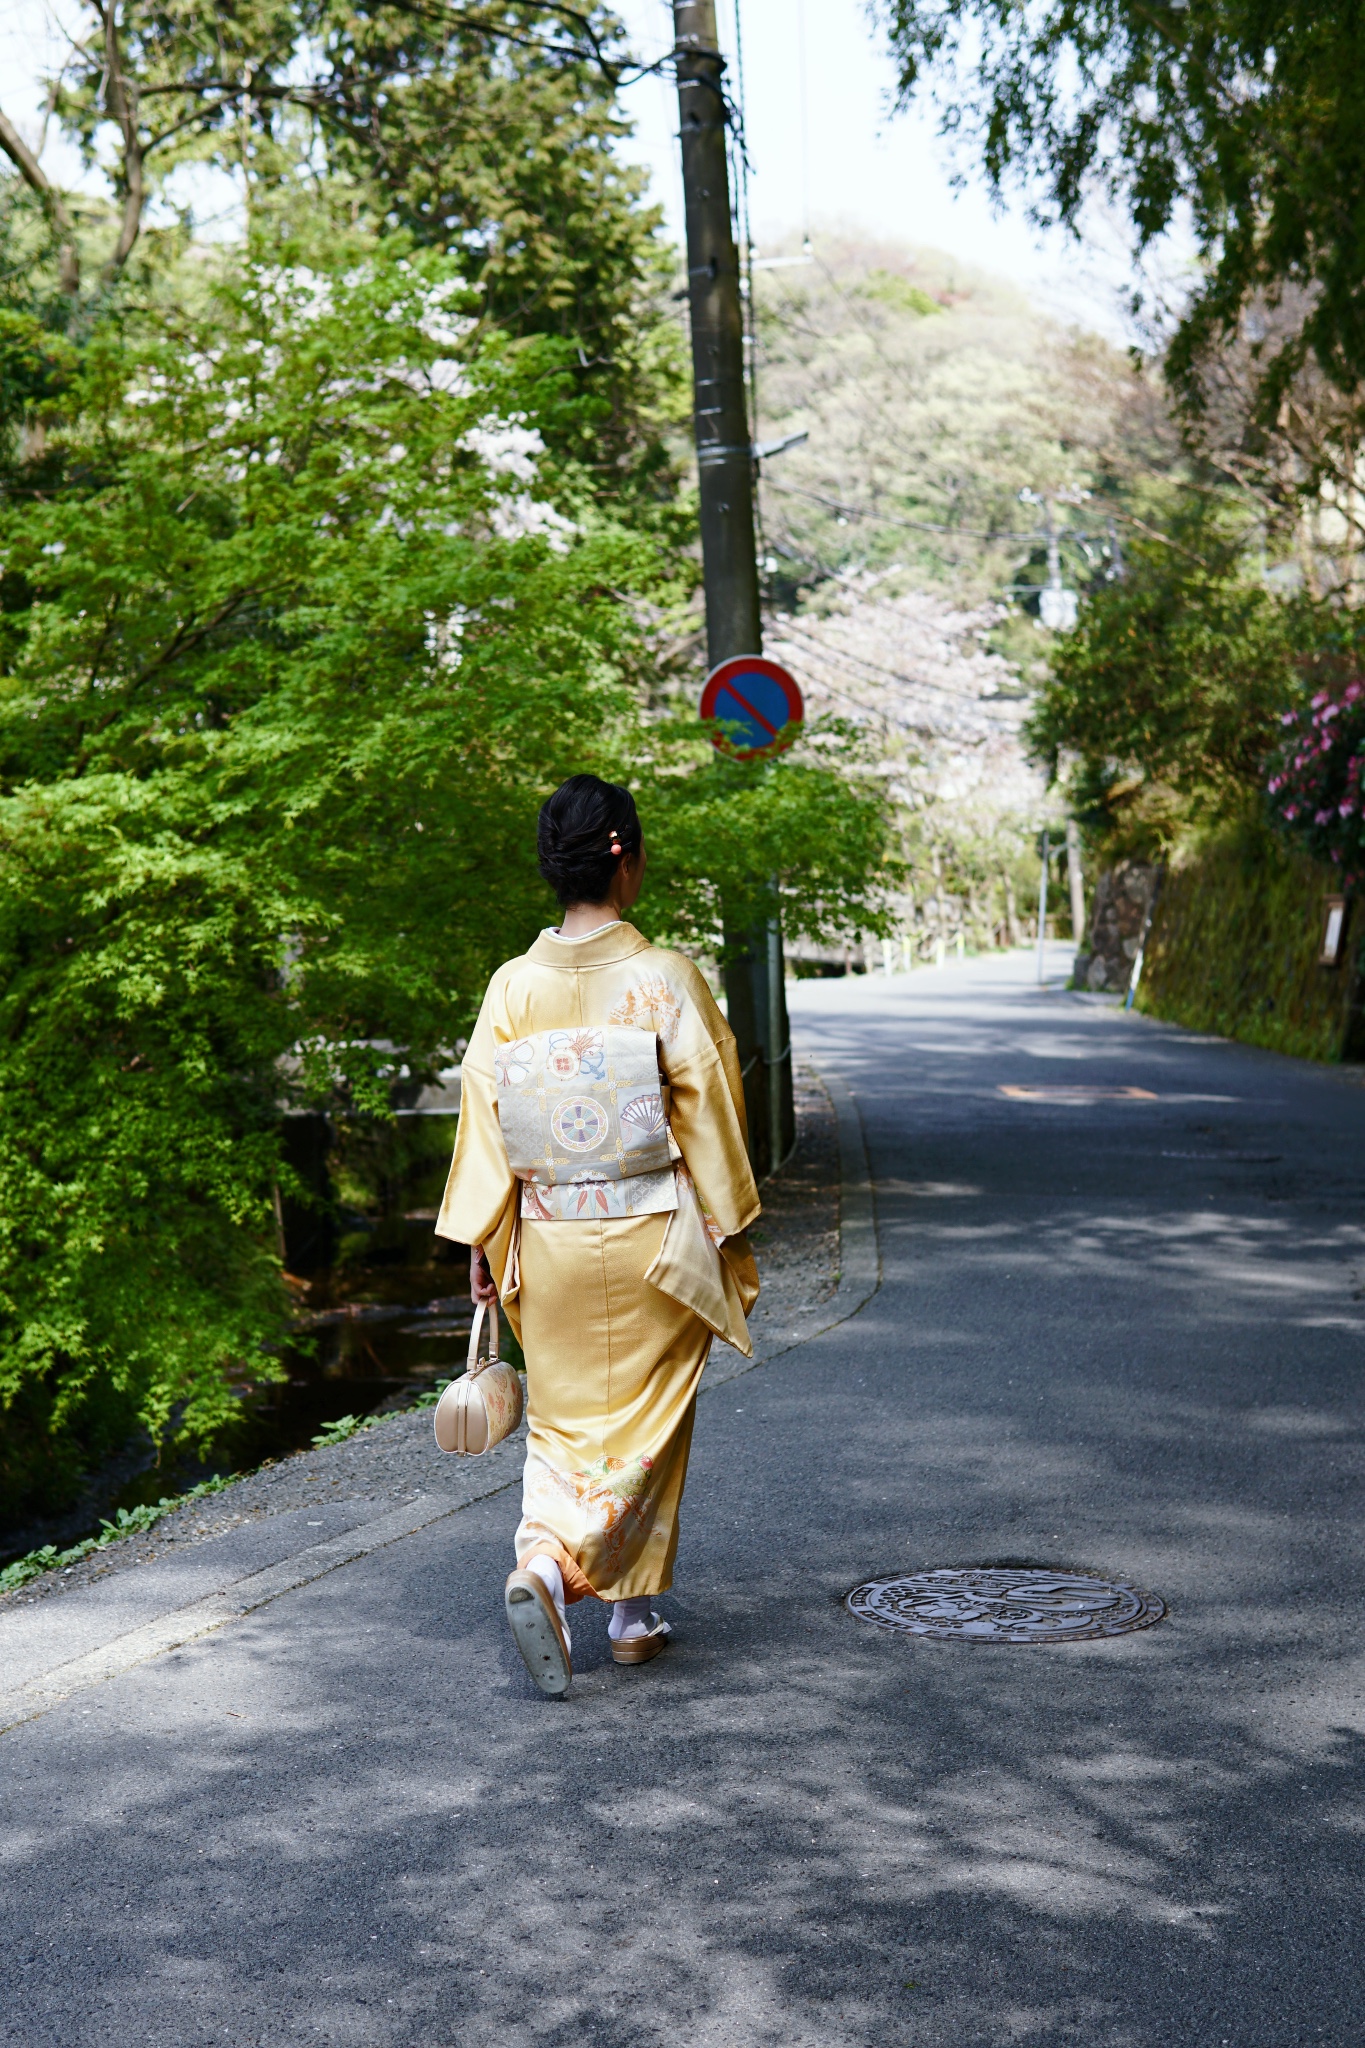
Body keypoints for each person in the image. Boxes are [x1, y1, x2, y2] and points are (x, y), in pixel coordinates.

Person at [434, 773, 760, 1695]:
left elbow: (487, 1124)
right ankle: (581, 1584)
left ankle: (600, 1591)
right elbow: (710, 1104)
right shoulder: (663, 978)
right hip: (653, 1233)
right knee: (648, 1428)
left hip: (547, 1238)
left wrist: (481, 1244)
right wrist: (728, 1222)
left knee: (566, 1425)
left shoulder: (511, 988)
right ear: (628, 858)